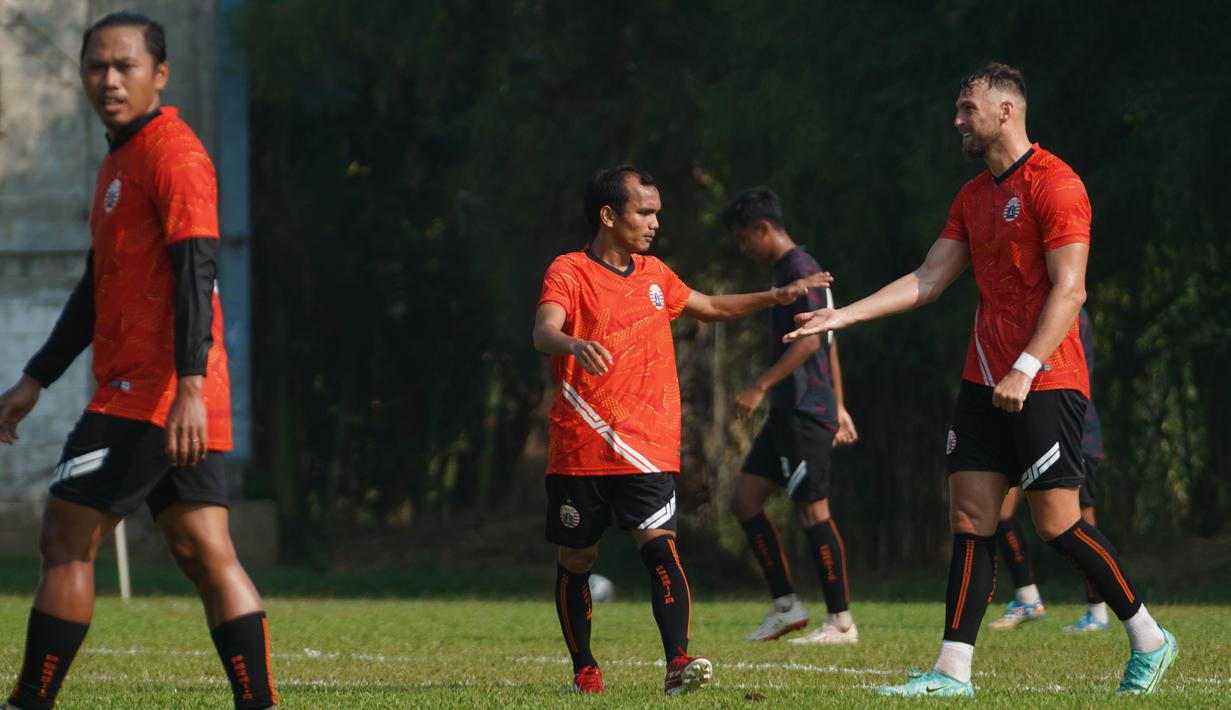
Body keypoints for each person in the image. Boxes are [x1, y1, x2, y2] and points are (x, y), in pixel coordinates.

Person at [785, 63, 1176, 697]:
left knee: (1057, 525)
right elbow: (929, 279)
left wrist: (1025, 366)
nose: (957, 119)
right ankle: (951, 673)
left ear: (1006, 112)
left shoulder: (1058, 184)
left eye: (968, 108)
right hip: (981, 379)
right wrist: (843, 315)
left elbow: (1070, 289)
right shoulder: (972, 196)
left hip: (1046, 377)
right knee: (971, 519)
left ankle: (1149, 638)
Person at [0, 13, 277, 710]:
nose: (109, 79)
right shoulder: (120, 160)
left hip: (153, 393)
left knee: (65, 535)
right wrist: (38, 376)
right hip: (172, 391)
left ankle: (28, 703)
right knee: (201, 547)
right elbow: (100, 287)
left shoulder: (173, 155)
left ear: (161, 74)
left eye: (125, 65)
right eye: (97, 65)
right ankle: (260, 704)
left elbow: (197, 270)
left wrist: (186, 385)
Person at [533, 166, 831, 695]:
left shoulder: (655, 273)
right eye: (644, 212)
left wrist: (776, 296)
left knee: (661, 550)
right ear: (608, 215)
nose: (654, 223)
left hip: (648, 445)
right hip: (581, 447)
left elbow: (712, 306)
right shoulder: (569, 271)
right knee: (577, 559)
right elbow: (544, 331)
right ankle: (584, 667)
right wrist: (574, 345)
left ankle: (678, 663)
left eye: (657, 214)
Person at [721, 187, 860, 644]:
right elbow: (831, 339)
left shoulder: (801, 269)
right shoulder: (788, 271)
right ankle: (786, 606)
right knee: (745, 499)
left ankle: (840, 621)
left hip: (803, 408)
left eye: (745, 238)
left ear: (764, 229)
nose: (745, 248)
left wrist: (760, 386)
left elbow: (813, 341)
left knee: (812, 512)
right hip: (791, 409)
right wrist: (840, 404)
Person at [988, 306, 1110, 632]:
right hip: (1026, 423)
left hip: (1073, 429)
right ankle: (1027, 596)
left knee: (1081, 523)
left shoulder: (1068, 310)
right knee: (999, 510)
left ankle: (1099, 610)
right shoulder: (1026, 305)